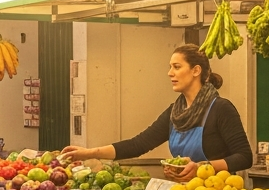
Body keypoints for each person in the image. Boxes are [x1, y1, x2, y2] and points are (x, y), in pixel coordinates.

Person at [61, 44, 251, 181]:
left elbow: (244, 157)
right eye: (170, 67)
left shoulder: (221, 109)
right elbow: (138, 144)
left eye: (177, 67)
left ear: (196, 71)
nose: (170, 73)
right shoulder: (175, 113)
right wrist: (88, 153)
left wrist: (203, 167)